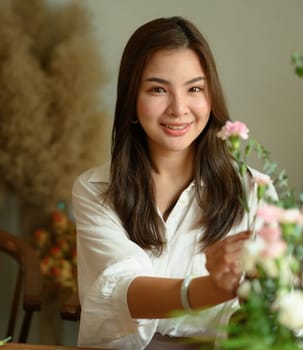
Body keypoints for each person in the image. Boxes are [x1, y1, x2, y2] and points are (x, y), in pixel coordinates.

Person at [72, 16, 268, 349]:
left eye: (194, 89)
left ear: (211, 98)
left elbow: (274, 314)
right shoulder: (96, 190)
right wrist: (214, 287)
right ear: (132, 100)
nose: (179, 109)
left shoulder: (253, 192)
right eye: (158, 89)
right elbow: (121, 288)